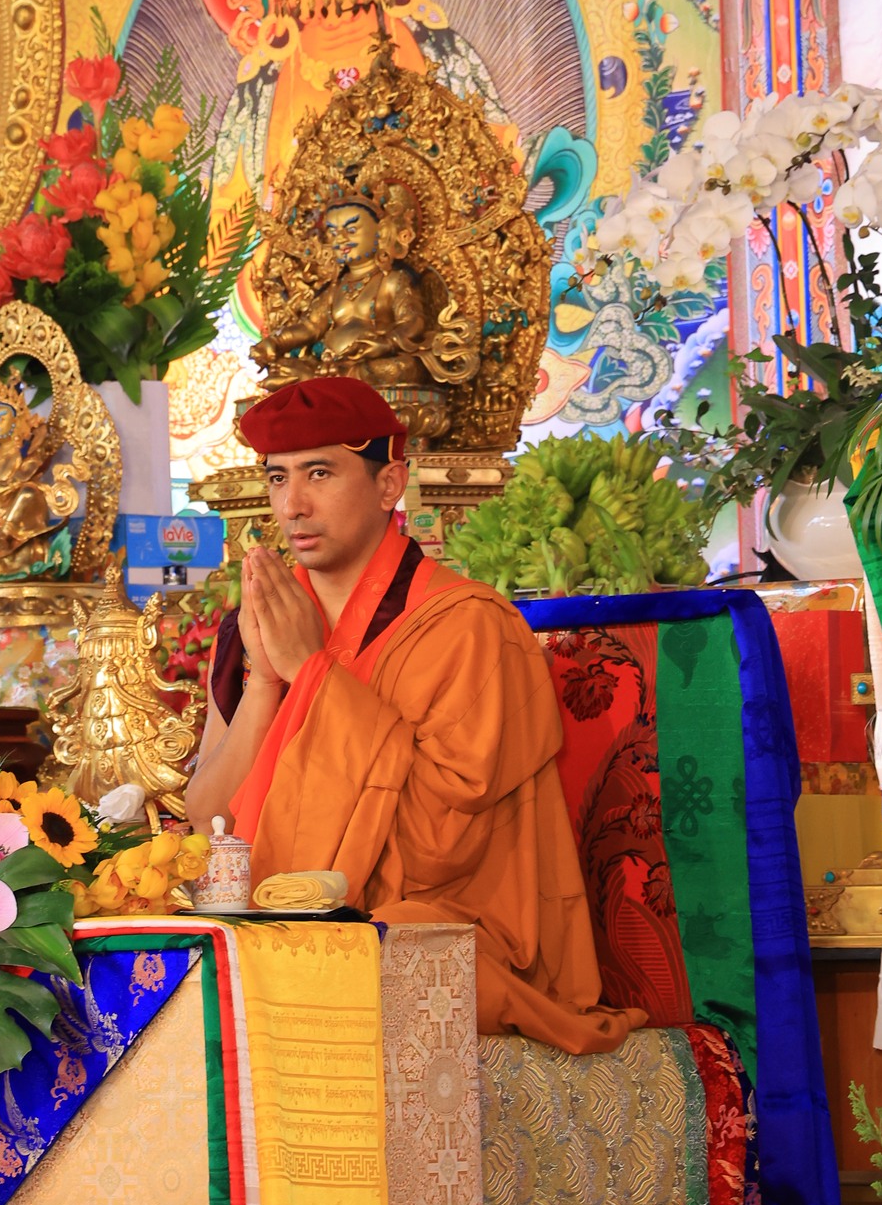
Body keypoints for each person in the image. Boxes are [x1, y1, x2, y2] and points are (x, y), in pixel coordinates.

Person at [186, 375, 643, 1054]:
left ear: (389, 484)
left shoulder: (468, 627)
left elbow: (439, 847)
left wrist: (315, 674)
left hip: (439, 922)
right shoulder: (258, 625)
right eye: (278, 478)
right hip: (276, 912)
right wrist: (267, 684)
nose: (293, 505)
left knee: (337, 965)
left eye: (319, 473)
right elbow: (210, 822)